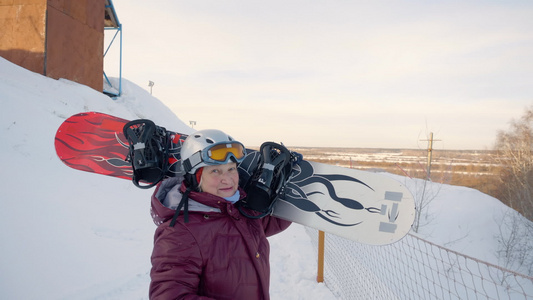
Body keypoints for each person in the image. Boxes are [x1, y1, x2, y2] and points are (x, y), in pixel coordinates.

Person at [149, 129, 291, 299]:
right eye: (215, 171)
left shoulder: (239, 210)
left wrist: (284, 189)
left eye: (231, 169)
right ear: (196, 177)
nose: (228, 179)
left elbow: (269, 222)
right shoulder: (179, 232)